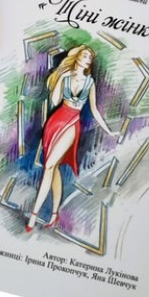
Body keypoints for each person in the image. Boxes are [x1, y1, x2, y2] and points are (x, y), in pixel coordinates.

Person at [26, 46, 116, 231]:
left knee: (49, 166)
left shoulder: (90, 82)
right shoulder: (66, 77)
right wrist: (61, 77)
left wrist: (108, 130)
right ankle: (54, 214)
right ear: (77, 57)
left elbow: (94, 110)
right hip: (55, 122)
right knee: (54, 169)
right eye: (85, 55)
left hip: (72, 123)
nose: (87, 58)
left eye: (90, 57)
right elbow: (55, 101)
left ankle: (33, 216)